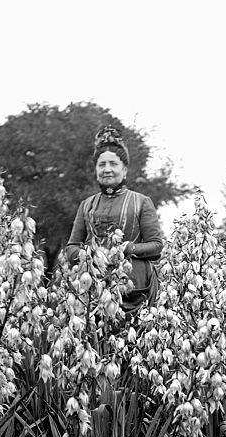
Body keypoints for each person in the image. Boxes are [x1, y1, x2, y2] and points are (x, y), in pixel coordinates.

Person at [64, 126, 163, 313]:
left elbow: (156, 246)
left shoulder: (141, 202)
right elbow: (71, 248)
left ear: (124, 170)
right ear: (95, 169)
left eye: (113, 164)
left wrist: (128, 248)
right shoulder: (87, 205)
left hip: (134, 289)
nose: (107, 169)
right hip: (92, 290)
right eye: (102, 164)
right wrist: (91, 255)